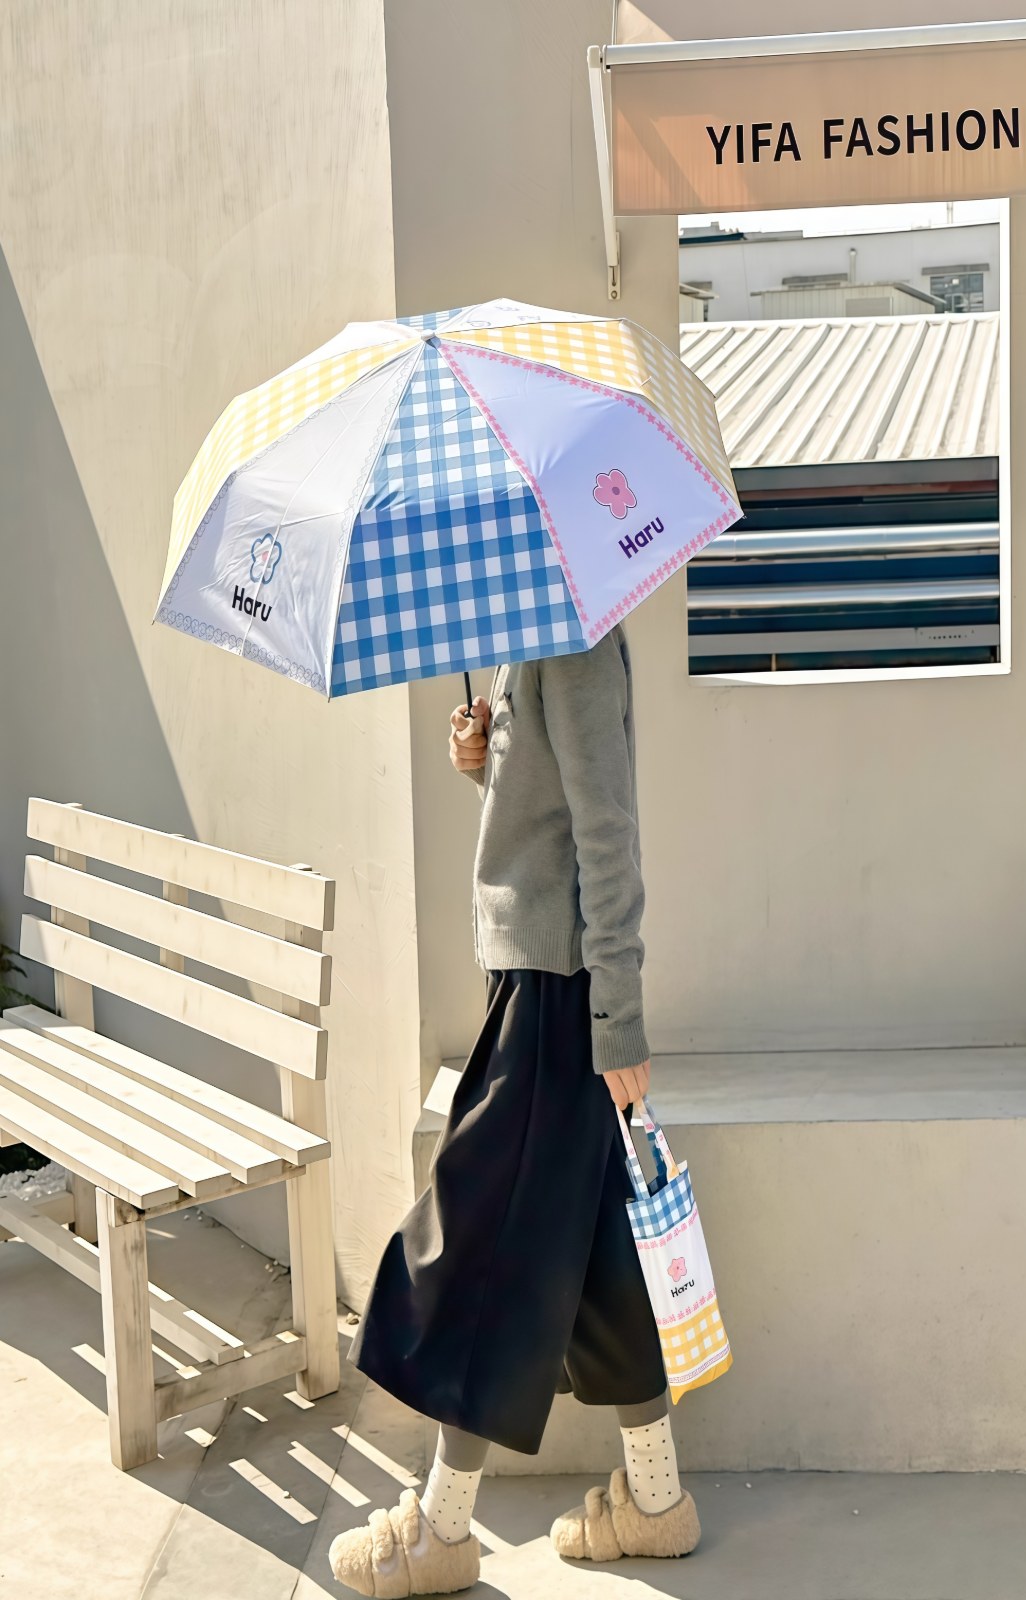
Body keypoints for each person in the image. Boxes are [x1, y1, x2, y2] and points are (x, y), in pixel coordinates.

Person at [329, 626, 700, 1598]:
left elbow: (607, 831)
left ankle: (445, 1528)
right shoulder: (533, 644)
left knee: (477, 1248)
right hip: (533, 985)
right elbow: (540, 817)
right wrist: (483, 757)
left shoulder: (574, 644)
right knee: (596, 1256)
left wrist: (617, 1018)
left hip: (558, 998)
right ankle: (657, 1503)